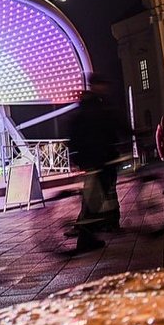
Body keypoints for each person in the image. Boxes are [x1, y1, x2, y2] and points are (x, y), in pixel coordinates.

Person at [67, 84, 123, 253]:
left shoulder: (80, 116)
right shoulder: (98, 113)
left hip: (89, 161)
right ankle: (86, 238)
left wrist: (76, 158)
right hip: (103, 160)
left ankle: (89, 234)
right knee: (96, 201)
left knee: (94, 200)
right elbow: (114, 128)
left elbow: (73, 139)